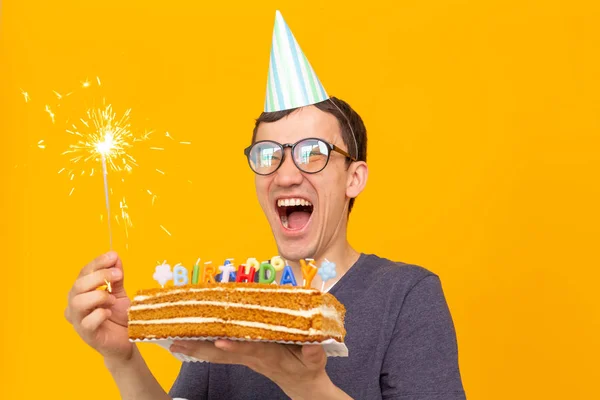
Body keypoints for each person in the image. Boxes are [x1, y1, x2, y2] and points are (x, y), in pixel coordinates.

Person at [64, 11, 466, 400]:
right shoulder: (229, 303)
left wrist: (307, 387)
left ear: (353, 178)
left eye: (312, 153)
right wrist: (122, 358)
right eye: (268, 154)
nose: (286, 175)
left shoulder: (406, 296)